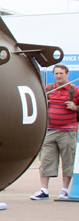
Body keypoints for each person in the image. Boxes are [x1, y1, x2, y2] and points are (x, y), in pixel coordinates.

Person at [33, 64, 78, 200]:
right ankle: (44, 190)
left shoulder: (75, 90)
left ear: (67, 74)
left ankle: (64, 190)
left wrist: (75, 107)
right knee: (46, 160)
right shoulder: (48, 89)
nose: (59, 76)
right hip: (50, 131)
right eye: (56, 74)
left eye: (61, 73)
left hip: (68, 131)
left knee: (68, 161)